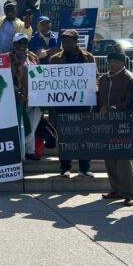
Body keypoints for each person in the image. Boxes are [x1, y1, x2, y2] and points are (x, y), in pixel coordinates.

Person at [50, 30, 96, 178]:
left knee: (84, 136)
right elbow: (50, 81)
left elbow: (95, 78)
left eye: (68, 41)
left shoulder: (88, 57)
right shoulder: (55, 59)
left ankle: (84, 167)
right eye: (63, 41)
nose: (65, 44)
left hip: (83, 103)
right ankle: (65, 168)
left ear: (76, 42)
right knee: (65, 137)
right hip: (63, 103)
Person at [97, 52, 133, 206]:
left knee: (124, 160)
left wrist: (113, 108)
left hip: (123, 123)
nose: (112, 64)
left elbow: (130, 102)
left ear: (123, 63)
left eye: (116, 62)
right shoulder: (104, 78)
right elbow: (99, 98)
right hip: (106, 123)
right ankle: (116, 190)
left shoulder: (130, 79)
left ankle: (129, 193)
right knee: (109, 158)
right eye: (110, 61)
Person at [9, 33, 41, 159]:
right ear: (14, 44)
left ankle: (30, 151)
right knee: (21, 126)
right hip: (15, 99)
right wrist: (16, 91)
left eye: (25, 42)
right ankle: (23, 153)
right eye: (19, 42)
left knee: (32, 126)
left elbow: (39, 73)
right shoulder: (8, 58)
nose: (22, 45)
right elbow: (5, 77)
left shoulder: (33, 57)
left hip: (34, 97)